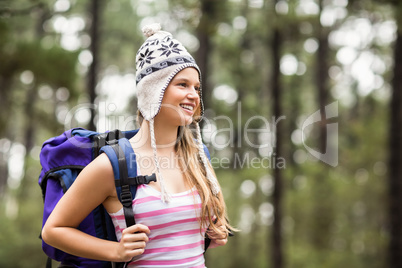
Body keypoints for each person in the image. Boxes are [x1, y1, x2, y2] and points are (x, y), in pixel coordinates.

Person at [42, 23, 234, 267]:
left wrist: (214, 232)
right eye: (182, 85)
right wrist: (116, 251)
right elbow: (54, 230)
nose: (194, 95)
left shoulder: (198, 156)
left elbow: (202, 235)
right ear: (154, 90)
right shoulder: (114, 163)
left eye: (197, 87)